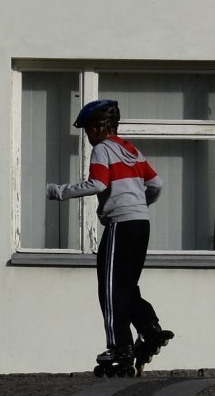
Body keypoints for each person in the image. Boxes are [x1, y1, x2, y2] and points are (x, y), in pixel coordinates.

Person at [45, 98, 170, 376]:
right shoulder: (130, 149)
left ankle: (119, 347)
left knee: (110, 288)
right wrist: (139, 202)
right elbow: (157, 184)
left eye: (89, 130)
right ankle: (149, 329)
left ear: (101, 128)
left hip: (121, 225)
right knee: (126, 285)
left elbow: (98, 183)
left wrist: (60, 191)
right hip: (141, 224)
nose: (88, 137)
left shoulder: (102, 150)